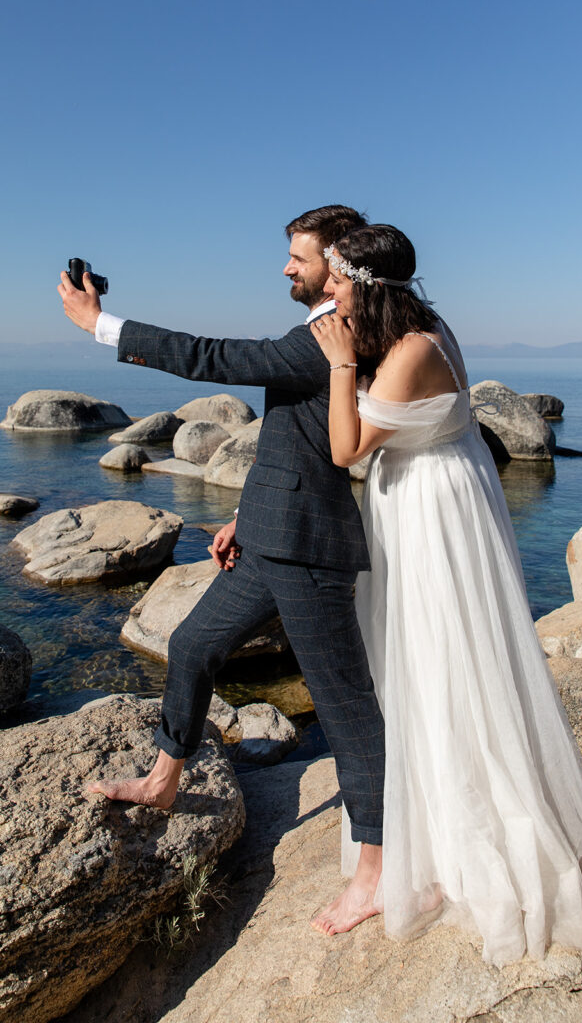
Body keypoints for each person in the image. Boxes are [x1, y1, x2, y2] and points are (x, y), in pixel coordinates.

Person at [58, 206, 386, 934]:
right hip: (273, 531)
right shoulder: (321, 333)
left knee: (346, 711)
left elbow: (213, 358)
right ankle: (164, 780)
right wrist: (246, 512)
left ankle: (378, 869)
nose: (284, 269)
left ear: (336, 266)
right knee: (192, 645)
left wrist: (100, 326)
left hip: (306, 550)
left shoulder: (335, 335)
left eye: (297, 258)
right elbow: (297, 433)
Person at [309, 224, 582, 963]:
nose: (329, 291)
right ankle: (434, 820)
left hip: (429, 511)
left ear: (365, 284)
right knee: (432, 659)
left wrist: (339, 364)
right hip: (436, 492)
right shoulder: (424, 325)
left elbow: (347, 448)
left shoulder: (411, 347)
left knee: (438, 659)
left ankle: (457, 848)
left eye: (336, 279)